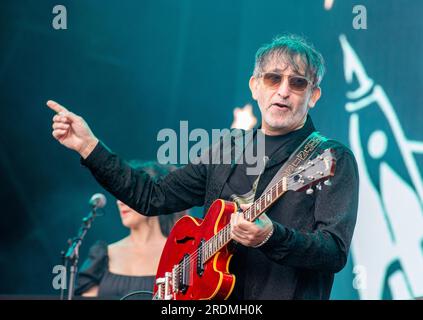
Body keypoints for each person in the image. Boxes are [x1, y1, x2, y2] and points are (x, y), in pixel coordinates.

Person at [47, 34, 359, 300]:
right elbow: (152, 196)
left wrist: (271, 237)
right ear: (255, 86)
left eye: (298, 83)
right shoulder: (227, 148)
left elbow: (333, 251)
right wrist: (89, 146)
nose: (283, 90)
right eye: (273, 78)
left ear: (313, 95)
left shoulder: (330, 158)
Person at [75, 161, 185, 299]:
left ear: (152, 197)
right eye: (119, 195)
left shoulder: (182, 254)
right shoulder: (102, 255)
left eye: (128, 194)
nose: (119, 201)